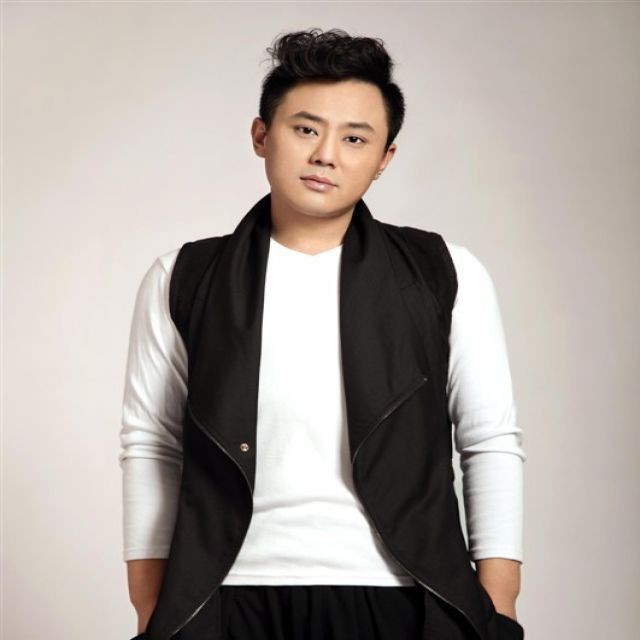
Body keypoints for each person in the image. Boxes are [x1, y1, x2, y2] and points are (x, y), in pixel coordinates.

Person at [119, 28, 526, 640]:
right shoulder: (185, 277)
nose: (326, 155)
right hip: (226, 595)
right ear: (262, 135)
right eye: (306, 129)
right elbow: (151, 443)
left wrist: (499, 605)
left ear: (384, 158)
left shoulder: (444, 273)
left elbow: (489, 439)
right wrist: (151, 606)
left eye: (355, 138)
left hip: (403, 595)